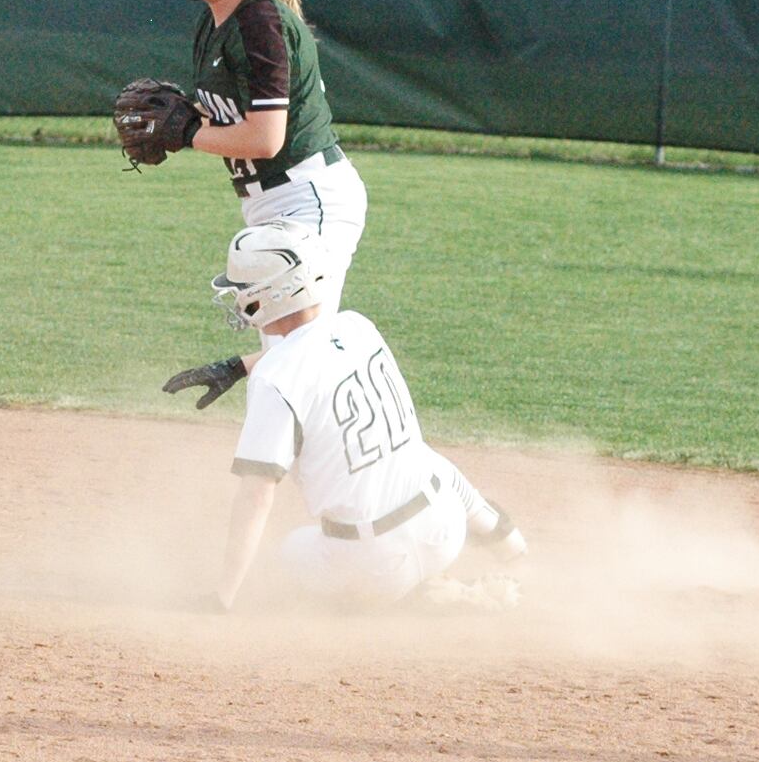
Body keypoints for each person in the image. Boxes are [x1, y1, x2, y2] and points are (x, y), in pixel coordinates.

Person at [201, 219, 525, 611]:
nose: (237, 298)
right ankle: (515, 555)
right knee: (426, 461)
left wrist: (224, 596)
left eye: (241, 289)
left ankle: (418, 604)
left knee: (276, 568)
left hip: (371, 563)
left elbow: (256, 496)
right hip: (445, 527)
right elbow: (309, 354)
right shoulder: (358, 327)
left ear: (268, 294)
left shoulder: (274, 379)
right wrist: (236, 366)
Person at [159, 0, 369, 410]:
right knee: (295, 366)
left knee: (300, 366)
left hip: (309, 199)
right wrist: (184, 117)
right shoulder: (214, 23)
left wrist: (185, 134)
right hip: (269, 204)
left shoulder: (260, 20)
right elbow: (230, 118)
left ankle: (414, 483)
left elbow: (265, 138)